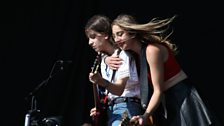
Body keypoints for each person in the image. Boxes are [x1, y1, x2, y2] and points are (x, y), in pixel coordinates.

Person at [104, 14, 221, 126]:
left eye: (120, 34)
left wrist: (146, 115)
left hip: (182, 99)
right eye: (114, 36)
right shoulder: (134, 56)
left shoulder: (152, 50)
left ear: (132, 32)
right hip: (167, 103)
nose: (117, 39)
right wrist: (105, 59)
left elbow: (158, 90)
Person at [85, 14, 144, 126]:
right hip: (112, 109)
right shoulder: (103, 60)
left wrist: (101, 81)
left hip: (128, 106)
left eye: (93, 37)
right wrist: (99, 108)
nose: (90, 42)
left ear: (105, 35)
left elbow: (119, 90)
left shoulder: (123, 55)